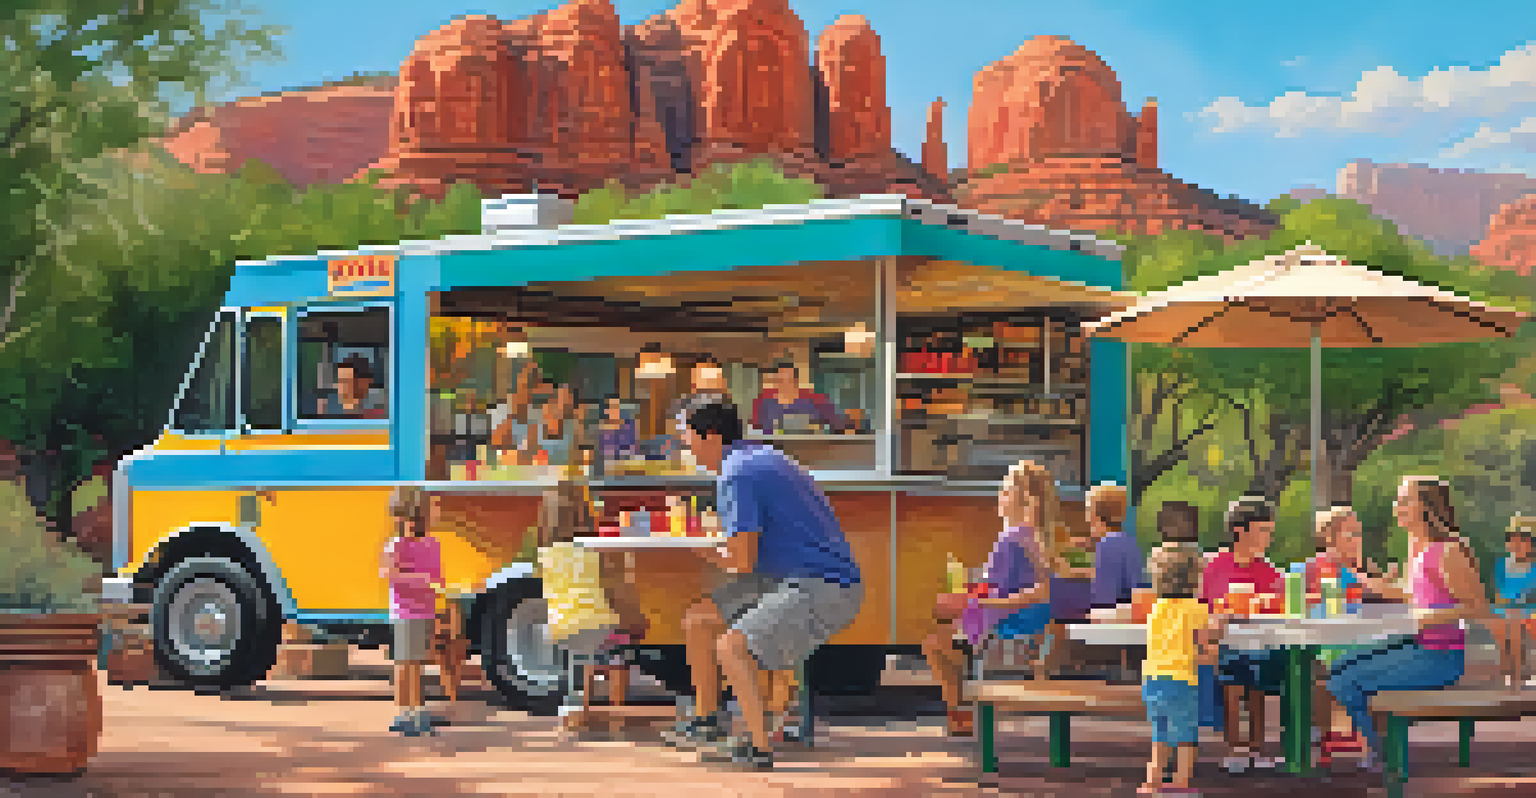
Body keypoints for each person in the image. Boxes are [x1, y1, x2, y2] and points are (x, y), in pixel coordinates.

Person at [664, 400, 863, 770]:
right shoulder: (756, 457)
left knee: (732, 647)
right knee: (700, 620)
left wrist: (704, 552)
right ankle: (707, 721)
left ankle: (757, 748)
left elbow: (742, 563)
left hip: (823, 584)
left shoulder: (736, 473)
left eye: (686, 437)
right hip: (789, 574)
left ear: (710, 435)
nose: (684, 446)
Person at [1328, 476, 1494, 772]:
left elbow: (1479, 607)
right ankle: (1382, 745)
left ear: (1426, 508)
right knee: (1338, 666)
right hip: (1416, 645)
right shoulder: (1417, 549)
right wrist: (1365, 581)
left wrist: (1424, 617)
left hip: (1440, 657)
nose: (1397, 506)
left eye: (1405, 500)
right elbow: (1412, 594)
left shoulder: (1449, 550)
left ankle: (1384, 754)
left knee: (1345, 680)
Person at [921, 460, 1074, 735]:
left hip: (1009, 637)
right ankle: (963, 712)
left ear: (1019, 500)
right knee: (949, 636)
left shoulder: (1011, 539)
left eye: (1005, 491)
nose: (1000, 497)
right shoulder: (1045, 539)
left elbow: (991, 593)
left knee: (935, 644)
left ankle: (960, 714)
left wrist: (966, 602)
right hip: (1039, 634)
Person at [1201, 497, 1285, 773]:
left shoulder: (1269, 570)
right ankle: (1236, 747)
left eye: (1270, 531)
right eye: (1263, 531)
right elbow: (1201, 608)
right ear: (1239, 530)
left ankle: (1257, 747)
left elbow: (1280, 608)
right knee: (1229, 665)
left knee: (1256, 663)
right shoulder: (1213, 566)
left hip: (1262, 644)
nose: (1268, 538)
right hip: (1222, 643)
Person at [1140, 543, 1224, 794]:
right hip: (1182, 681)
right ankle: (1181, 783)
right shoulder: (1196, 609)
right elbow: (1206, 640)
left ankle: (1152, 782)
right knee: (1186, 735)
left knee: (1160, 734)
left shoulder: (1156, 609)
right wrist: (1221, 620)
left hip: (1153, 680)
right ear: (1195, 579)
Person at [1302, 507, 1371, 763]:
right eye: (1351, 534)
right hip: (1324, 638)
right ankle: (1330, 732)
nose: (1357, 540)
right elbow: (1297, 602)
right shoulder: (1313, 567)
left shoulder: (1359, 569)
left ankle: (1358, 735)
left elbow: (1368, 603)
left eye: (1359, 534)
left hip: (1354, 638)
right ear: (1330, 537)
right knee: (1326, 670)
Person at [379, 487, 443, 736]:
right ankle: (403, 711)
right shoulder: (396, 545)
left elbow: (438, 576)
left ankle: (416, 710)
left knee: (416, 663)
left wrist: (435, 586)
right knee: (404, 663)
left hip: (424, 611)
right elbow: (389, 574)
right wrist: (423, 580)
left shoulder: (431, 544)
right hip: (405, 612)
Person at [1489, 515, 1536, 690]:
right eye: (1513, 540)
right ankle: (1506, 671)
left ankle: (1516, 676)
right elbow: (1498, 593)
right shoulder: (1502, 564)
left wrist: (1519, 601)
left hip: (1529, 609)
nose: (1517, 545)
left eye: (1523, 540)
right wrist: (1507, 603)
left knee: (1516, 624)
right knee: (1500, 624)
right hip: (1505, 608)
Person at [751, 362, 842, 433]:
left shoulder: (815, 400)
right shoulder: (764, 403)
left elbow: (837, 423)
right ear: (776, 381)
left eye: (789, 380)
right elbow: (755, 431)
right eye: (781, 380)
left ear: (796, 381)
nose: (785, 385)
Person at [335, 355, 387, 419]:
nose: (341, 387)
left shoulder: (377, 416)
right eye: (340, 381)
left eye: (346, 381)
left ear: (363, 383)